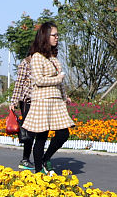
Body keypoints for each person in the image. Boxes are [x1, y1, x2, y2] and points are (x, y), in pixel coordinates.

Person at [23, 22, 75, 175]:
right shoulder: (37, 57)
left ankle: (46, 159)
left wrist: (65, 96)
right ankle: (39, 171)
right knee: (41, 137)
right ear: (45, 36)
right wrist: (57, 79)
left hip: (56, 101)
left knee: (63, 133)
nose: (57, 38)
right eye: (54, 35)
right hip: (43, 101)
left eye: (57, 35)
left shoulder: (53, 58)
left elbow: (61, 81)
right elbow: (38, 80)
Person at [8, 53, 35, 170]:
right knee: (29, 131)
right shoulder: (26, 63)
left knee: (40, 131)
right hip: (27, 101)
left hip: (41, 101)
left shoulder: (45, 61)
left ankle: (39, 159)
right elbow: (19, 83)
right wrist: (13, 101)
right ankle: (25, 159)